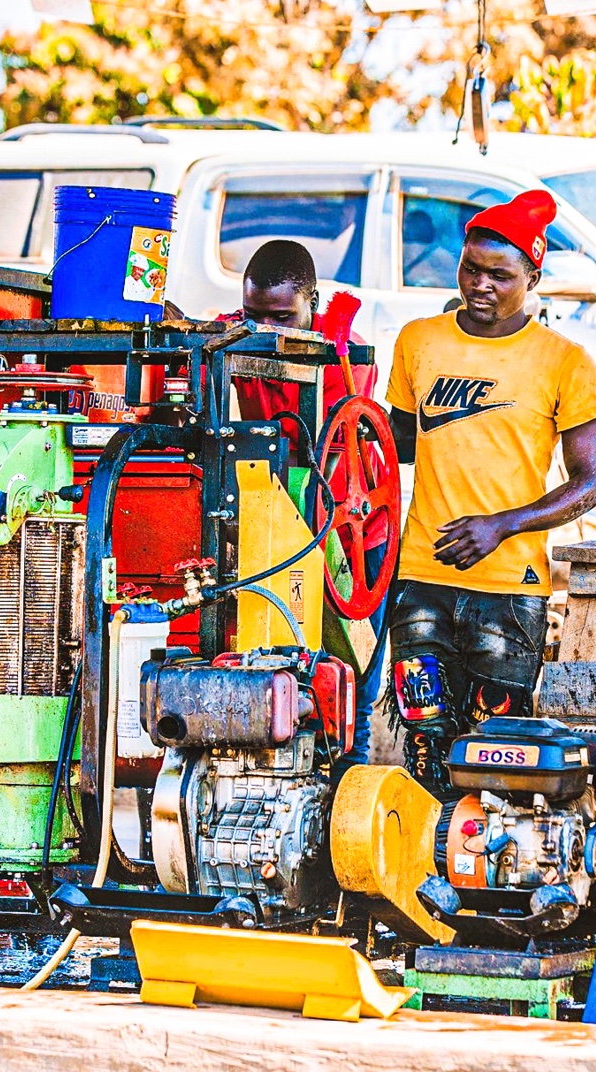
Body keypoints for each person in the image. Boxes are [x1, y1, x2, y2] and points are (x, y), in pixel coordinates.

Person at [385, 190, 596, 794]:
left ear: (533, 277)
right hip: (421, 581)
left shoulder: (565, 362)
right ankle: (422, 872)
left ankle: (485, 874)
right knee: (427, 749)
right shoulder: (418, 342)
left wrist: (500, 525)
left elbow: (588, 486)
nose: (480, 285)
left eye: (500, 276)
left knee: (494, 756)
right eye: (471, 269)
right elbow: (393, 446)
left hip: (509, 594)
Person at [225, 240, 388, 779]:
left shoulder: (345, 357)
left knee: (351, 689)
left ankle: (347, 813)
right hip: (277, 526)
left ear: (312, 301)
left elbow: (329, 445)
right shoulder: (240, 339)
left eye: (281, 316)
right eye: (253, 315)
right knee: (277, 680)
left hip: (354, 538)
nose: (268, 329)